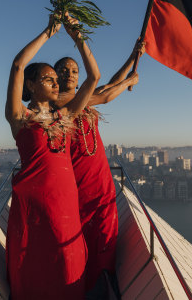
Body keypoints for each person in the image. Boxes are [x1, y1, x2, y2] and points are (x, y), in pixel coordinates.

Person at [5, 13, 101, 299]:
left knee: (68, 268)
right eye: (48, 78)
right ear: (31, 85)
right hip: (34, 212)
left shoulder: (65, 116)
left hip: (66, 207)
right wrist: (49, 32)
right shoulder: (20, 117)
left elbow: (94, 77)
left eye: (55, 78)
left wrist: (77, 37)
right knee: (35, 272)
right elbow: (18, 65)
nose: (56, 82)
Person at [54, 40, 144, 296]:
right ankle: (82, 286)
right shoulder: (58, 103)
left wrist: (132, 57)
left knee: (105, 231)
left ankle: (102, 281)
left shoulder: (83, 97)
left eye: (74, 70)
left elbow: (106, 87)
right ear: (55, 76)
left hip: (99, 175)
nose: (70, 73)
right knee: (78, 234)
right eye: (64, 70)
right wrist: (129, 82)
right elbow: (106, 95)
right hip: (76, 178)